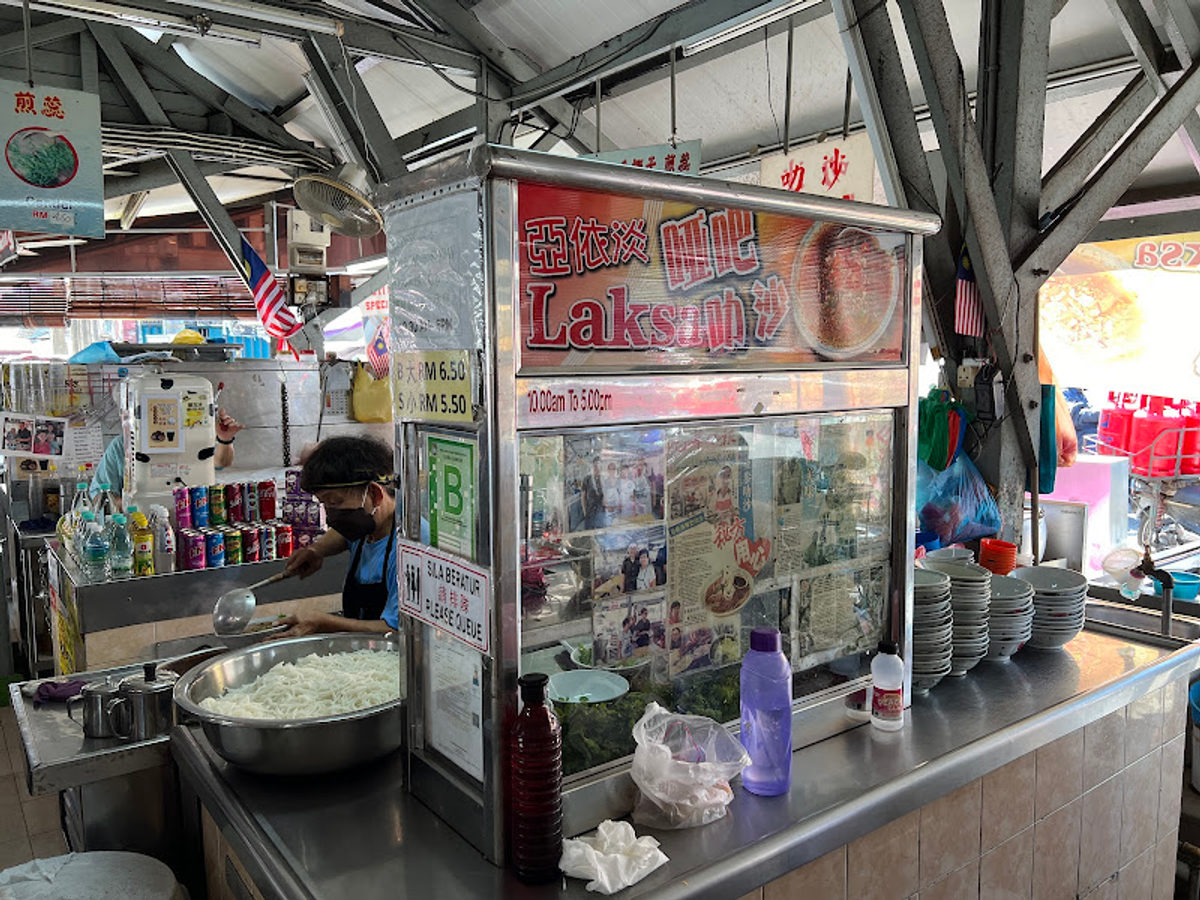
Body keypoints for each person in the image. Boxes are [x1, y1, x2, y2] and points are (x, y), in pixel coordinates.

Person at [278, 436, 399, 635]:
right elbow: (343, 535)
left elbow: (398, 632)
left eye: (335, 502)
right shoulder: (366, 525)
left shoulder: (408, 548)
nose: (332, 515)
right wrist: (316, 550)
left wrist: (326, 623)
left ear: (375, 494)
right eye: (325, 504)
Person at [90, 408, 243, 495]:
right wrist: (125, 504)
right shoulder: (121, 446)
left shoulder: (189, 439)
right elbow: (99, 494)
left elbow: (221, 461)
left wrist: (225, 439)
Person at [580, 457, 606, 529]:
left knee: (600, 534)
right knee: (589, 533)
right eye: (595, 465)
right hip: (590, 511)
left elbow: (606, 495)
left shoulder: (603, 479)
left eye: (599, 466)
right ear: (593, 466)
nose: (597, 468)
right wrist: (584, 511)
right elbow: (583, 497)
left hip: (601, 512)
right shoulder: (587, 479)